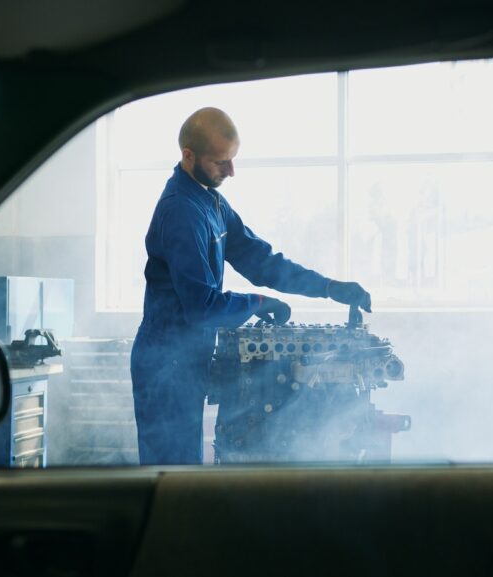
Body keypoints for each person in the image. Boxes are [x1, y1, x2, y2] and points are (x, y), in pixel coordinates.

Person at [130, 107, 373, 465]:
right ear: (188, 155)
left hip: (186, 359)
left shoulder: (209, 200)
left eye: (232, 159)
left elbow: (261, 261)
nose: (231, 171)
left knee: (185, 475)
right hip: (167, 366)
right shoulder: (182, 211)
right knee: (173, 477)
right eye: (221, 162)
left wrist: (329, 287)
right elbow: (202, 307)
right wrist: (256, 302)